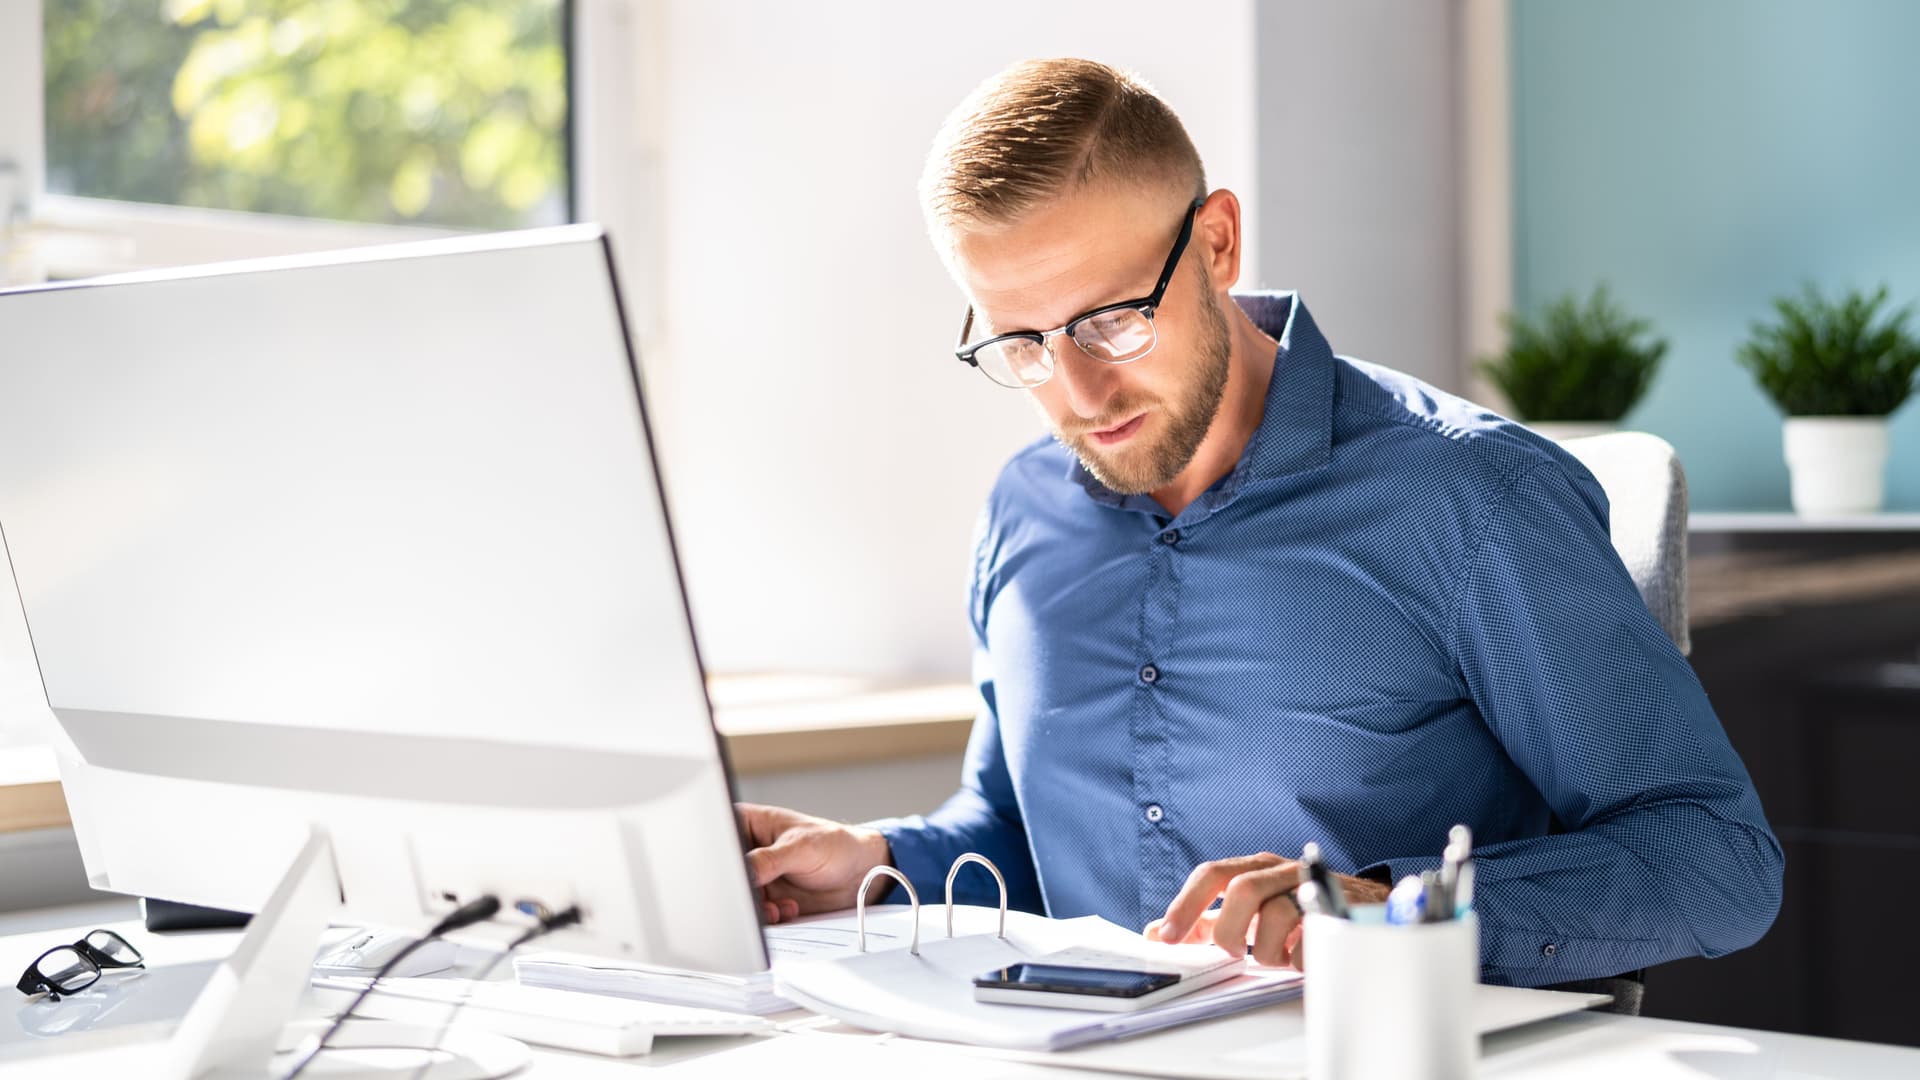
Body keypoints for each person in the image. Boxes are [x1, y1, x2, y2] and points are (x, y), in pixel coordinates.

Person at [738, 57, 1781, 988]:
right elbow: (1017, 832)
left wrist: (1387, 909)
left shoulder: (1469, 501)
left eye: (1112, 319)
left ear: (1219, 242)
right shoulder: (1025, 512)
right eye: (1021, 343)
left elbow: (1717, 858)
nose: (1080, 390)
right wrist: (875, 863)